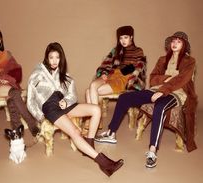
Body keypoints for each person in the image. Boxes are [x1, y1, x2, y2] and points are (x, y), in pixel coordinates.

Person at [95, 31, 198, 168]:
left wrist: (163, 90)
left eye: (179, 41)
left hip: (177, 93)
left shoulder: (189, 61)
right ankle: (111, 132)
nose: (175, 44)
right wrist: (167, 79)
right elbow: (153, 78)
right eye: (173, 41)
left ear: (184, 45)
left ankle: (152, 151)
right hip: (157, 90)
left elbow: (181, 80)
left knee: (159, 107)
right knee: (124, 98)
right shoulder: (163, 59)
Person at [27, 42, 124, 177]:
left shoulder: (64, 75)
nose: (54, 61)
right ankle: (105, 164)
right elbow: (30, 100)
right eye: (51, 57)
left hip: (64, 105)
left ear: (61, 58)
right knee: (75, 133)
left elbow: (72, 95)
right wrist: (41, 116)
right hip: (50, 108)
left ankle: (88, 146)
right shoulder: (37, 74)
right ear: (46, 58)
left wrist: (66, 101)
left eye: (57, 57)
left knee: (96, 110)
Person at [85, 25, 146, 135]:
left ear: (131, 37)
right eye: (121, 38)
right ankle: (95, 118)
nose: (123, 41)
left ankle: (93, 120)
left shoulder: (138, 51)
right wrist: (104, 73)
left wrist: (125, 72)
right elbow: (106, 63)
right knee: (92, 86)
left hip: (123, 79)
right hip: (110, 75)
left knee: (90, 92)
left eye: (125, 37)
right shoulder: (116, 50)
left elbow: (137, 68)